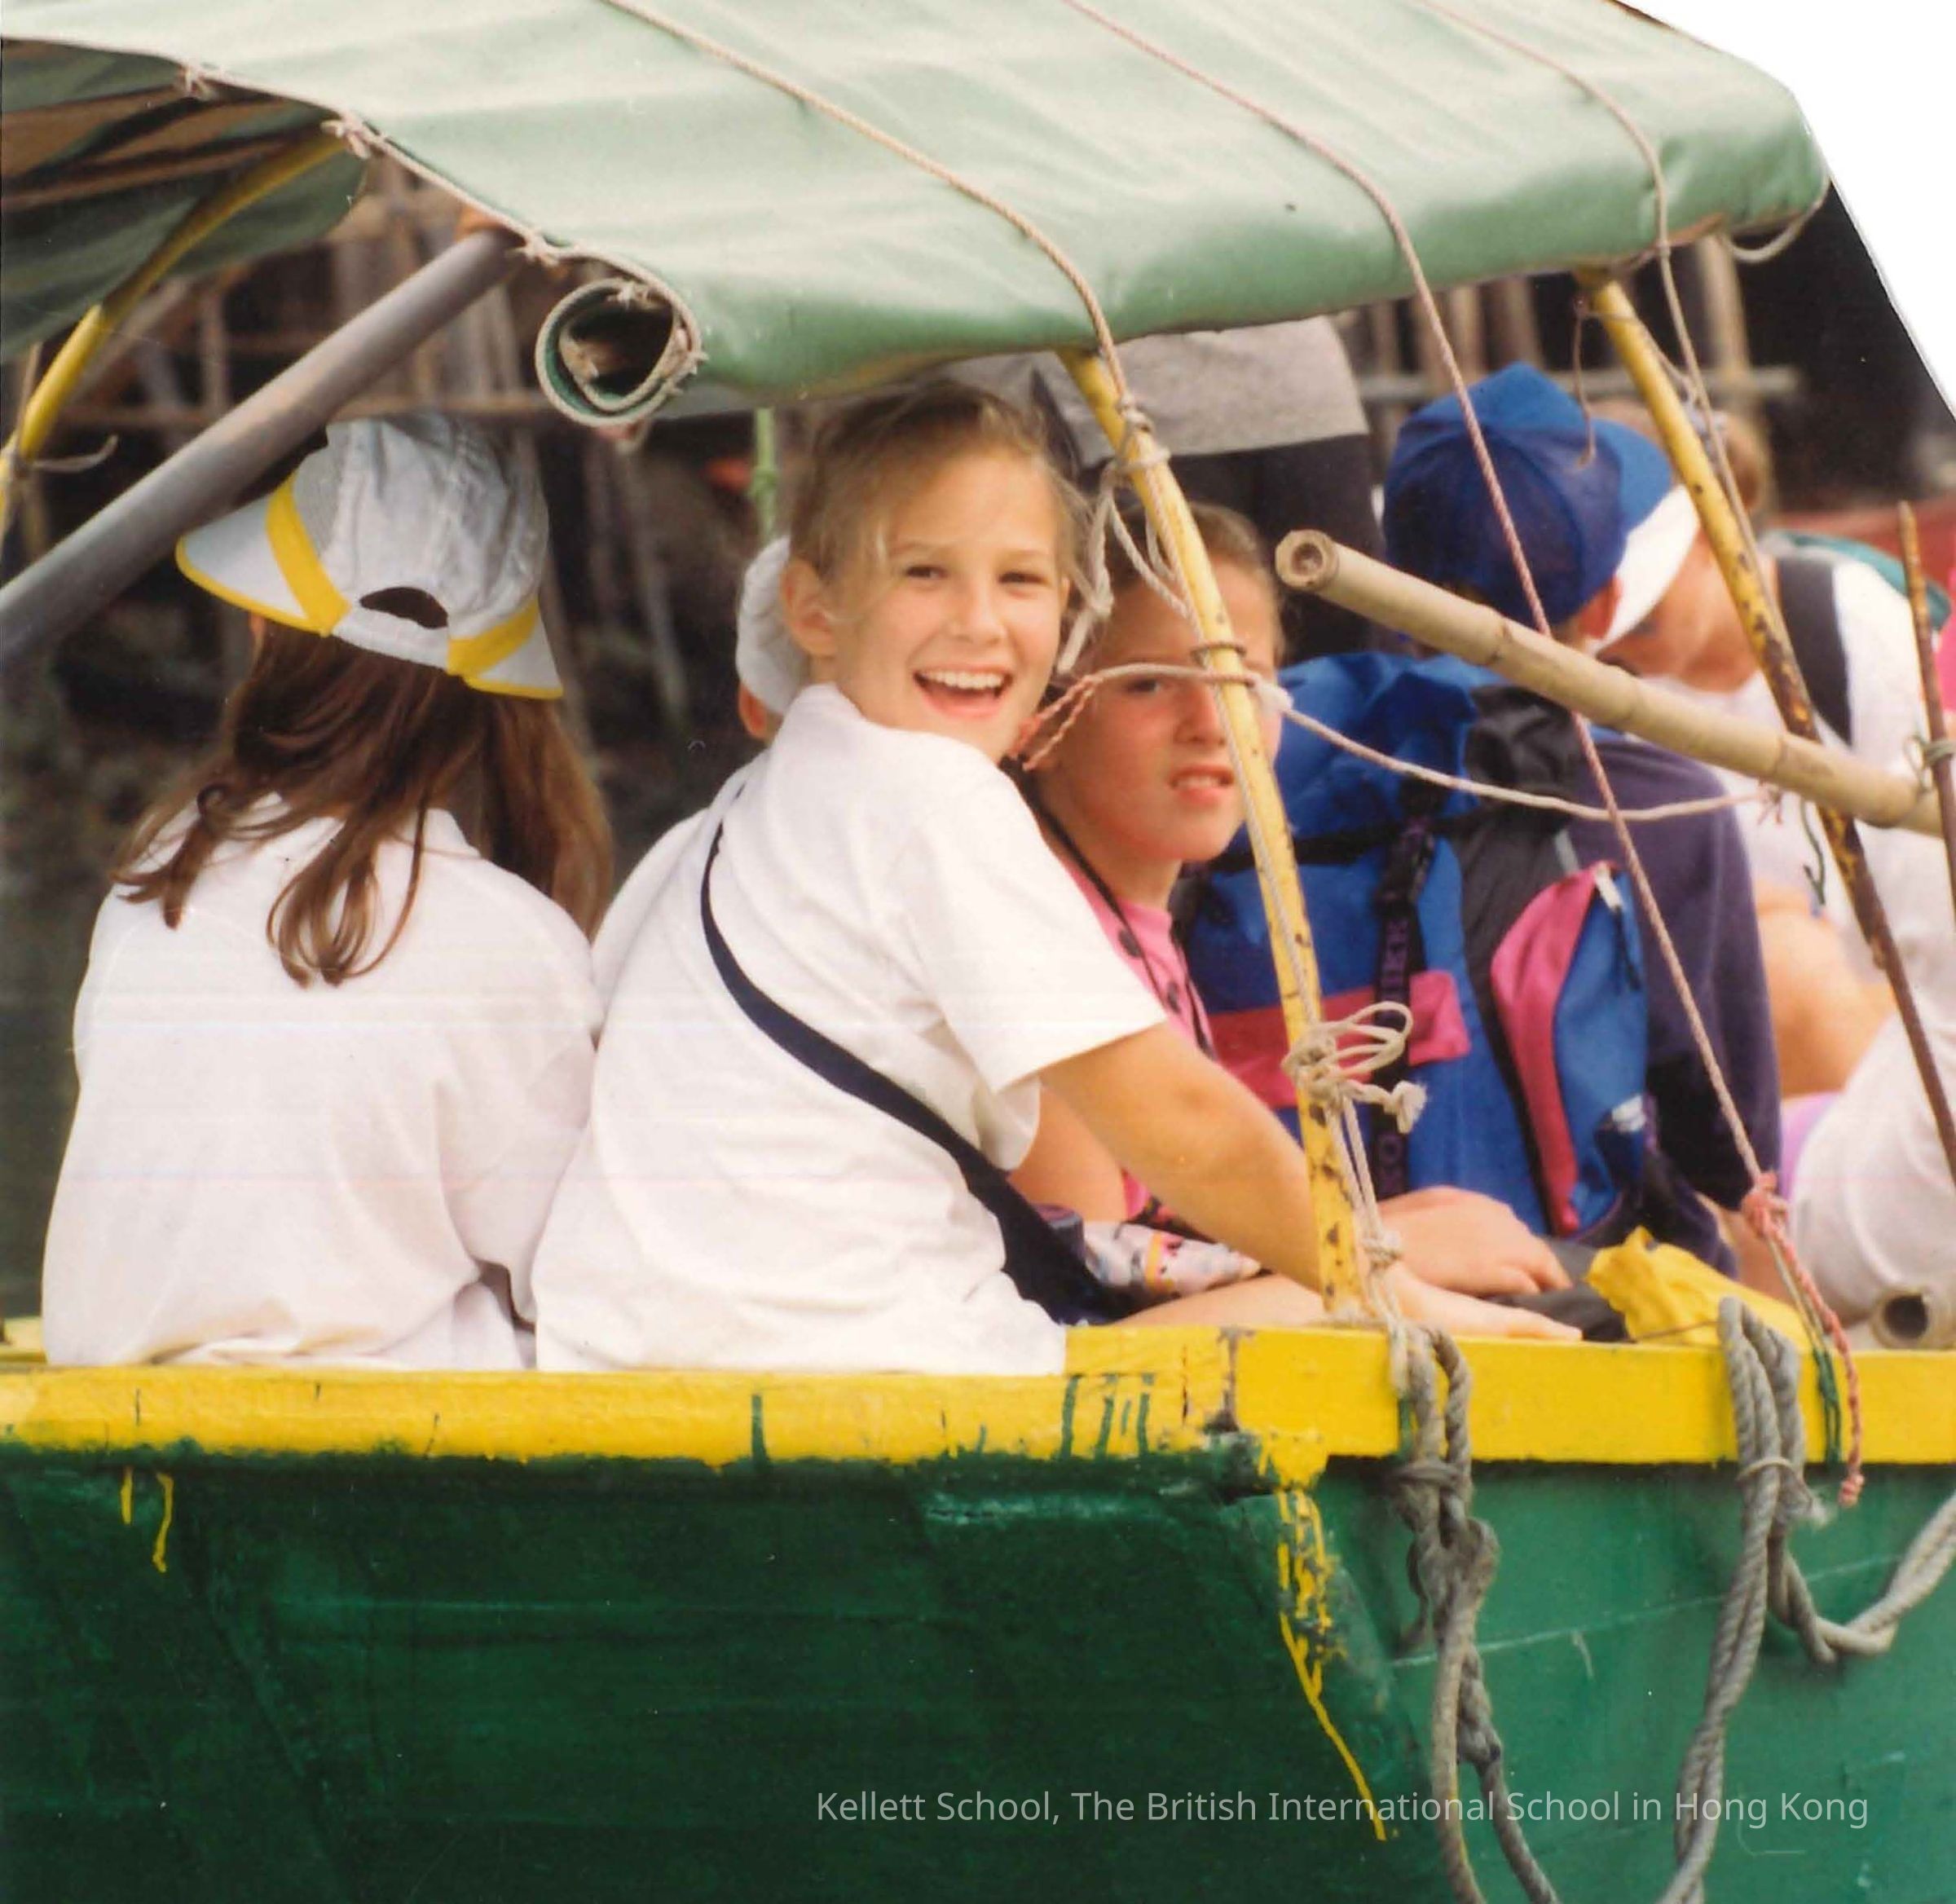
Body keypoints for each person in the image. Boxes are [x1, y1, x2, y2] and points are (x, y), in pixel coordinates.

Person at [533, 381, 1571, 1376]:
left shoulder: (724, 823)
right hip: (856, 1359)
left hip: (632, 1352)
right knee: (1349, 1314)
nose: (979, 622)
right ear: (813, 608)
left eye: (1020, 580)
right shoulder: (932, 794)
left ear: (1067, 613)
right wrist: (1392, 1287)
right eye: (923, 573)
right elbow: (1182, 1123)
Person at [42, 414, 610, 1368]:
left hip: (117, 1415)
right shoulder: (515, 946)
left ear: (264, 624)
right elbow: (577, 1277)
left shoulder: (154, 878)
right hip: (390, 1442)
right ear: (495, 685)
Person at [1012, 500, 1571, 1300]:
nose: (1212, 721)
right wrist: (1383, 1250)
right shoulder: (1039, 938)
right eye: (1149, 684)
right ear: (1042, 718)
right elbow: (1091, 1301)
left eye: (1244, 681)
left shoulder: (1134, 919)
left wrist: (1383, 1225)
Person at [1374, 364, 1782, 1270]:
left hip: (1348, 1251)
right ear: (1607, 602)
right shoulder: (1664, 799)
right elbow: (1735, 1152)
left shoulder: (1297, 751)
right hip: (1587, 1280)